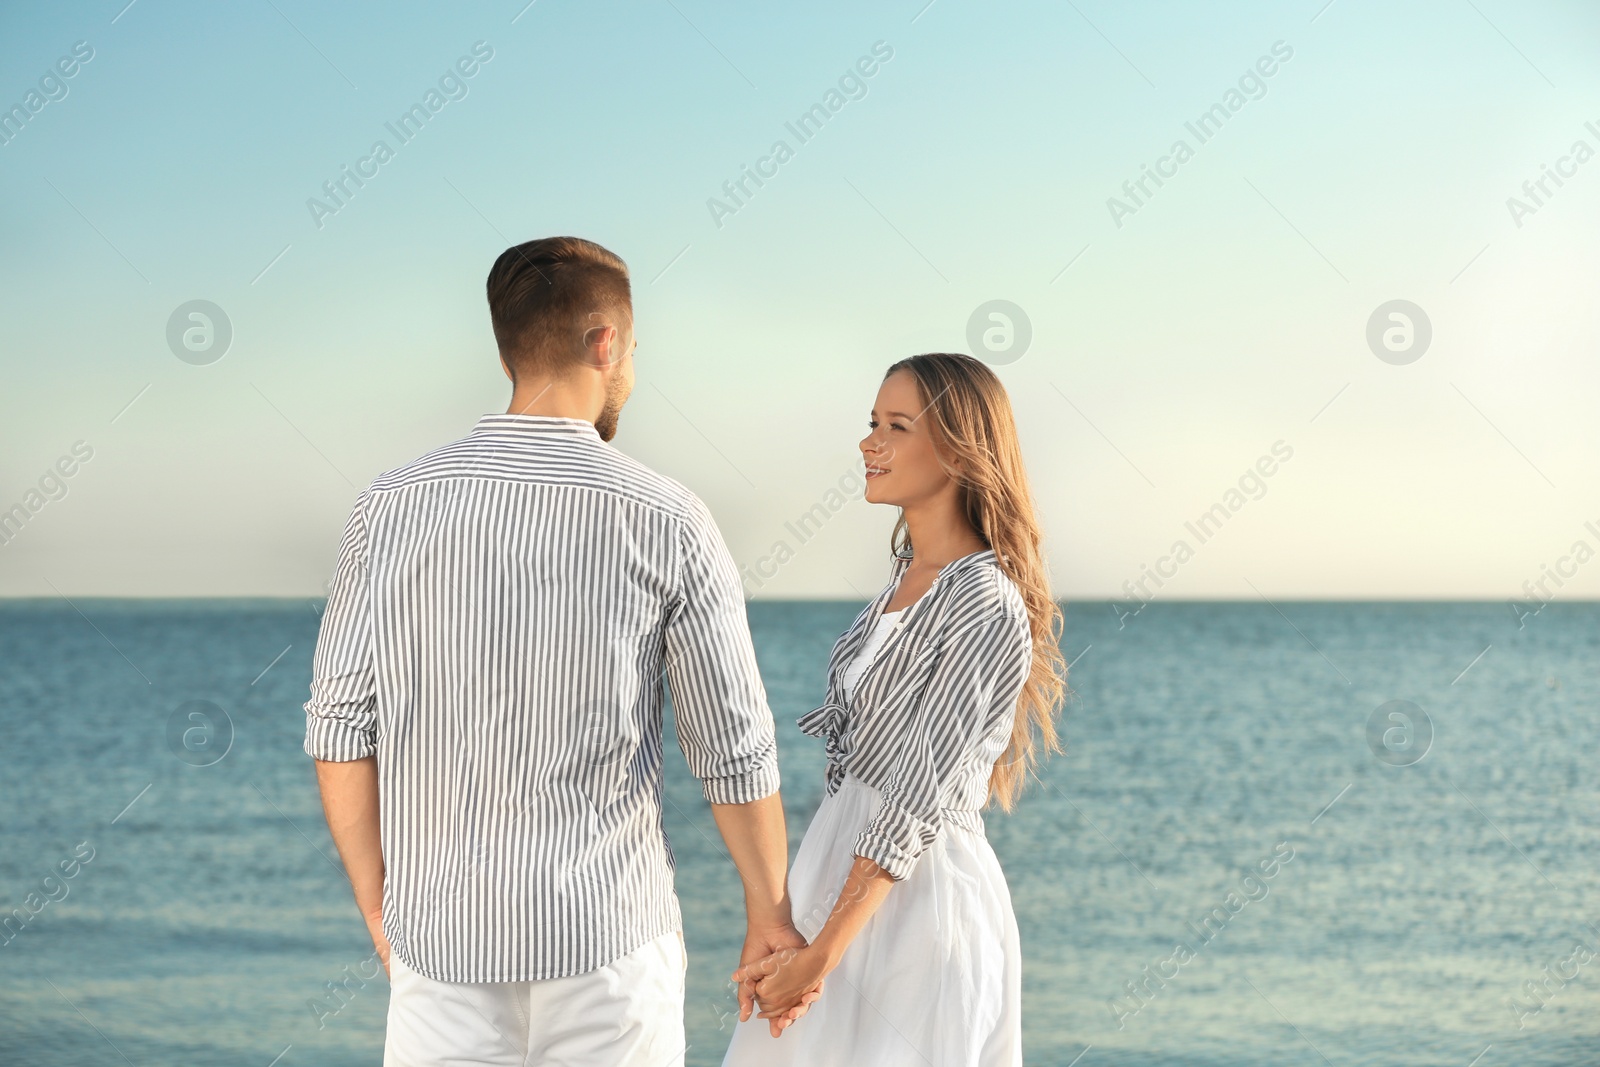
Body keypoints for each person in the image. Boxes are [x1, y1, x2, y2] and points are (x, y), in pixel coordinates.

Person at [303, 236, 817, 1066]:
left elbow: (338, 732)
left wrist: (378, 909)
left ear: (508, 346)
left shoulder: (388, 510)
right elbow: (732, 746)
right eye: (634, 350)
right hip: (609, 952)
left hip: (441, 955)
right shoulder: (669, 517)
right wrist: (769, 911)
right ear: (604, 342)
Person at [721, 352, 1068, 1065]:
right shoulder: (903, 583)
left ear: (959, 448)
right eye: (872, 422)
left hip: (917, 905)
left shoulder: (983, 599)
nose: (868, 443)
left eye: (896, 426)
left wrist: (821, 955)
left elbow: (914, 794)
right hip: (843, 885)